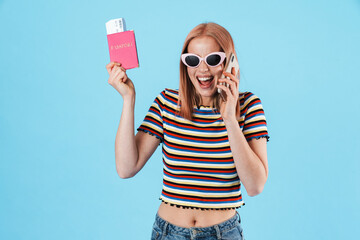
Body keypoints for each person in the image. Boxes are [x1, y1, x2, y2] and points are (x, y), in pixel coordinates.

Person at [106, 22, 269, 240]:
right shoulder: (166, 103)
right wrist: (128, 99)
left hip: (222, 233)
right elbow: (126, 168)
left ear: (230, 62)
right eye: (193, 60)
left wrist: (229, 117)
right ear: (185, 65)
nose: (203, 70)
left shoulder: (248, 106)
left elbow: (255, 185)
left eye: (213, 60)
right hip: (168, 232)